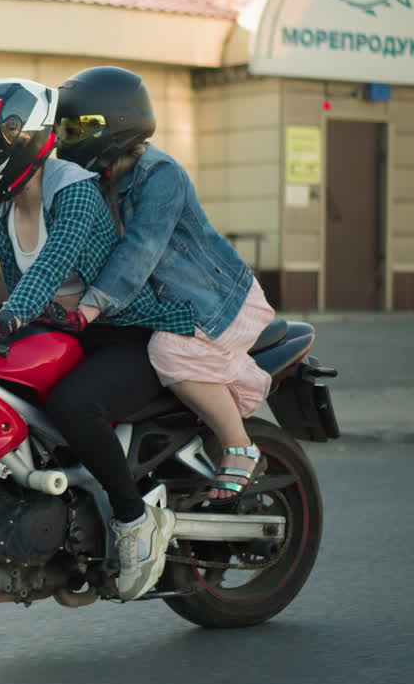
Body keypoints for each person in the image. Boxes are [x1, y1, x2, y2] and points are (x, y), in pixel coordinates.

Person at [0, 78, 197, 600]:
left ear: (19, 142)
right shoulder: (4, 203)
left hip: (122, 332)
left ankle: (134, 521)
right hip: (61, 333)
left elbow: (49, 268)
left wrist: (5, 319)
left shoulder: (74, 190)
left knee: (74, 405)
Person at [52, 66, 277, 504]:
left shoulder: (160, 175)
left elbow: (141, 249)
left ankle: (239, 444)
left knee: (169, 352)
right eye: (63, 128)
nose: (66, 138)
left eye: (77, 128)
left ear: (116, 123)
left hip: (216, 301)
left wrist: (91, 306)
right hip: (160, 306)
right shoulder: (99, 179)